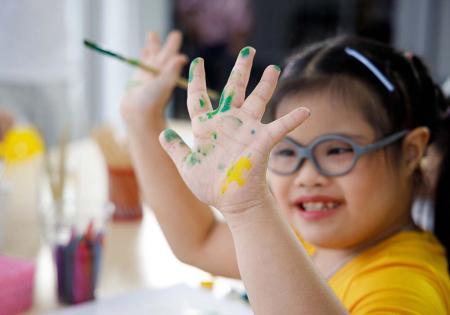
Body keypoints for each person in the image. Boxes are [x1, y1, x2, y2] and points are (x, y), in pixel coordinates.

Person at [121, 31, 450, 314]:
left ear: (410, 152)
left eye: (337, 150)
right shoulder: (320, 243)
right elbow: (200, 241)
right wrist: (142, 118)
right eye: (288, 151)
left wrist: (250, 206)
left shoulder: (406, 283)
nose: (307, 175)